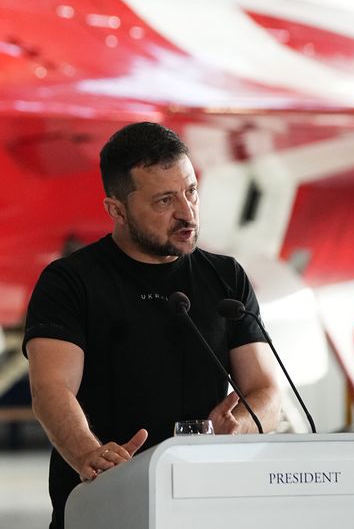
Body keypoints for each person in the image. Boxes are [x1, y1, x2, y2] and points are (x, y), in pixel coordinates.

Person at [23, 122, 281, 528]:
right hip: (105, 505)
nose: (187, 212)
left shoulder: (226, 277)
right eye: (164, 201)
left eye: (191, 190)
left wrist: (243, 424)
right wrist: (89, 454)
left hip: (204, 507)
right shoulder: (70, 282)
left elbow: (266, 391)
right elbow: (50, 390)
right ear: (117, 210)